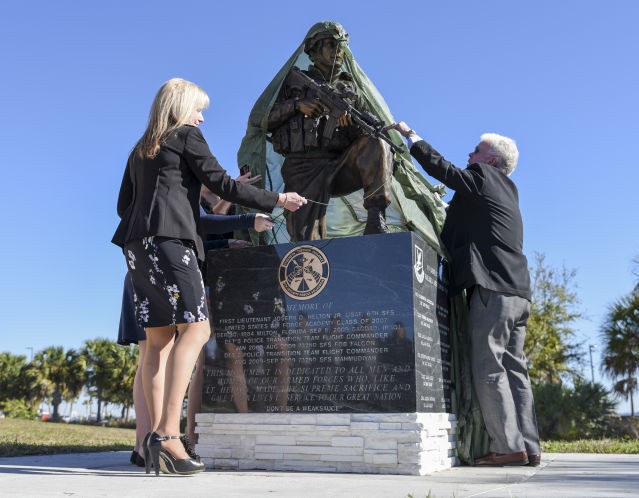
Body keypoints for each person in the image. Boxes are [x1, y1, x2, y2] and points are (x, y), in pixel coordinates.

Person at [112, 78, 306, 476]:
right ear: (181, 107)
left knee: (158, 341)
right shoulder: (186, 135)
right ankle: (168, 436)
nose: (201, 117)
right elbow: (221, 183)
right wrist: (277, 199)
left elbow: (122, 206)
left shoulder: (140, 148)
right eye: (198, 108)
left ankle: (154, 441)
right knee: (197, 331)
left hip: (136, 247)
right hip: (172, 244)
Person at [386, 121, 541, 467]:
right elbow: (463, 221)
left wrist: (412, 137)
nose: (470, 154)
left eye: (477, 150)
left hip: (492, 289)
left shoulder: (482, 177)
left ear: (491, 161)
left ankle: (507, 447)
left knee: (489, 368)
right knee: (515, 370)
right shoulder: (508, 190)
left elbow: (443, 170)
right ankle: (529, 446)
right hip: (519, 292)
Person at [266, 22, 394, 241]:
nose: (338, 52)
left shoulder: (352, 89)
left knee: (378, 142)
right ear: (314, 51)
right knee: (306, 243)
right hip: (303, 167)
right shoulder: (293, 82)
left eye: (341, 47)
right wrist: (297, 105)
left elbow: (371, 129)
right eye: (331, 45)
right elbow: (264, 120)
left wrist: (352, 125)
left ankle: (376, 217)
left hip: (341, 163)